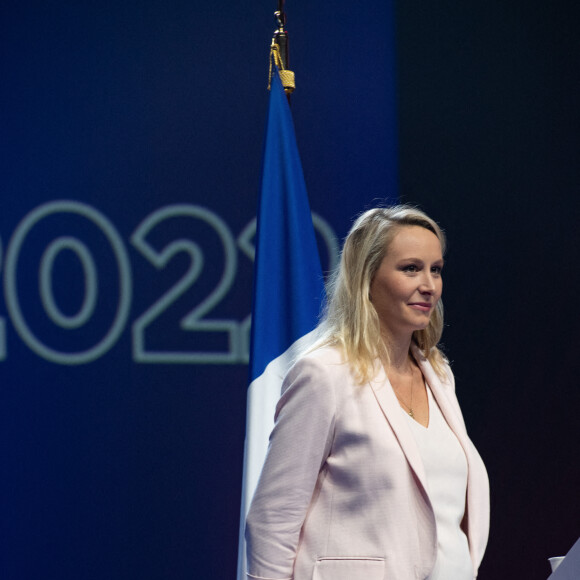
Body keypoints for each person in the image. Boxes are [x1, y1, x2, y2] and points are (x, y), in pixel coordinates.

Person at [245, 205, 490, 580]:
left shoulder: (438, 373)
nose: (429, 285)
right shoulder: (324, 374)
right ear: (367, 277)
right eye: (411, 268)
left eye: (435, 269)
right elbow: (273, 518)